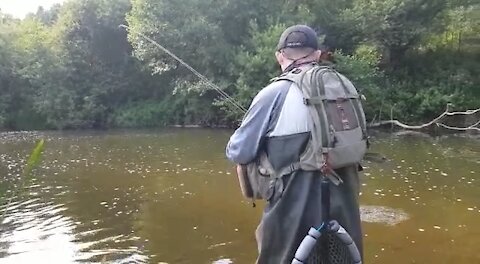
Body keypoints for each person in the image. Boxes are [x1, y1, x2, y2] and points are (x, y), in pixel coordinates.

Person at [225, 25, 363, 264]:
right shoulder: (346, 88)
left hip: (292, 218)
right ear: (318, 55)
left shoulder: (272, 93)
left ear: (280, 56)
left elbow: (238, 151)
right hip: (345, 219)